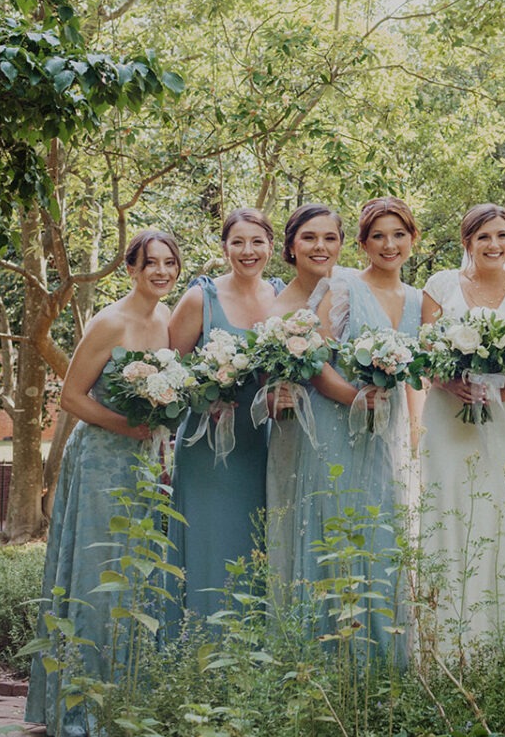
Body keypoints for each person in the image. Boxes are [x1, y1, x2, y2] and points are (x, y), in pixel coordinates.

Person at [26, 229, 182, 737]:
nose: (161, 272)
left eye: (169, 263)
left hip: (148, 464)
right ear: (131, 269)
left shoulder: (166, 318)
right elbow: (71, 398)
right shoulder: (109, 321)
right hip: (100, 461)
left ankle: (127, 701)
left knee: (139, 576)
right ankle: (78, 711)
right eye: (150, 263)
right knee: (98, 574)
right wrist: (129, 427)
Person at [284, 197, 423, 658]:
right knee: (336, 531)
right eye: (378, 235)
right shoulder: (340, 288)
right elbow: (314, 361)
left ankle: (385, 661)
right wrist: (354, 397)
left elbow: (424, 377)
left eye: (399, 234)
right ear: (361, 243)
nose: (389, 244)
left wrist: (416, 432)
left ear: (413, 239)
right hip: (335, 425)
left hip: (386, 434)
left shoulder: (420, 302)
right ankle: (332, 664)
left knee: (382, 533)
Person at [418, 204, 505, 653]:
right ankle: (442, 639)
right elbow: (426, 353)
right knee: (447, 509)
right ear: (467, 241)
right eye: (484, 236)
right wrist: (453, 384)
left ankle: (500, 639)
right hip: (447, 416)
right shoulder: (439, 286)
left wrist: (496, 394)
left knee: (499, 510)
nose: (494, 245)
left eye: (502, 236)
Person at [169, 208, 282, 615]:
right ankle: (201, 637)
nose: (248, 251)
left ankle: (250, 645)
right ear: (224, 248)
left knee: (254, 541)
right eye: (238, 242)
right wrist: (205, 395)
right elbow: (171, 370)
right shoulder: (201, 297)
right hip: (206, 446)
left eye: (257, 242)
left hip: (259, 446)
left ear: (271, 246)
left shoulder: (281, 296)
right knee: (209, 538)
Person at [264, 203, 345, 602]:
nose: (320, 246)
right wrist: (271, 398)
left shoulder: (352, 291)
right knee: (304, 524)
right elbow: (262, 385)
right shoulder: (275, 310)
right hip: (300, 434)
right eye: (309, 237)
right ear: (291, 246)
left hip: (358, 431)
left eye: (330, 238)